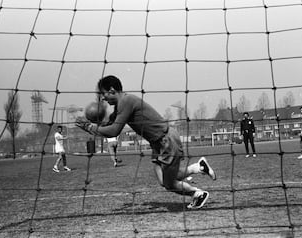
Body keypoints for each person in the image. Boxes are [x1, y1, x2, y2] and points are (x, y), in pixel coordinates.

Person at [76, 75, 216, 209]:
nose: (104, 99)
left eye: (104, 94)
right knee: (164, 180)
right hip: (158, 143)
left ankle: (198, 194)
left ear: (112, 90)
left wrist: (90, 127)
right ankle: (198, 168)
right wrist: (93, 124)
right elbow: (109, 123)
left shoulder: (126, 101)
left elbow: (114, 131)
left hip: (166, 141)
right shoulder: (120, 106)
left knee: (169, 183)